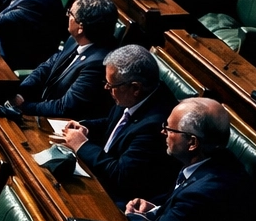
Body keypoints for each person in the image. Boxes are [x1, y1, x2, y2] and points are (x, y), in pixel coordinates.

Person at [124, 98, 254, 221]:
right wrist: (156, 210)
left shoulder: (205, 192)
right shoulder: (217, 159)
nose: (163, 132)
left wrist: (131, 216)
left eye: (169, 129)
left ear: (192, 143)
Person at [58, 44, 177, 206]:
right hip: (100, 173)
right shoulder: (136, 95)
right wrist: (86, 127)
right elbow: (113, 123)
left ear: (135, 88)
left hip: (117, 198)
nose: (106, 88)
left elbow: (120, 175)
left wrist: (82, 145)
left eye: (111, 85)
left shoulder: (155, 126)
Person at [9, 0, 117, 117]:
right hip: (43, 105)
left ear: (80, 27)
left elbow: (65, 107)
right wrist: (22, 92)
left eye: (70, 13)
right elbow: (48, 66)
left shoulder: (98, 64)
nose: (67, 16)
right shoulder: (74, 40)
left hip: (60, 120)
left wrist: (24, 106)